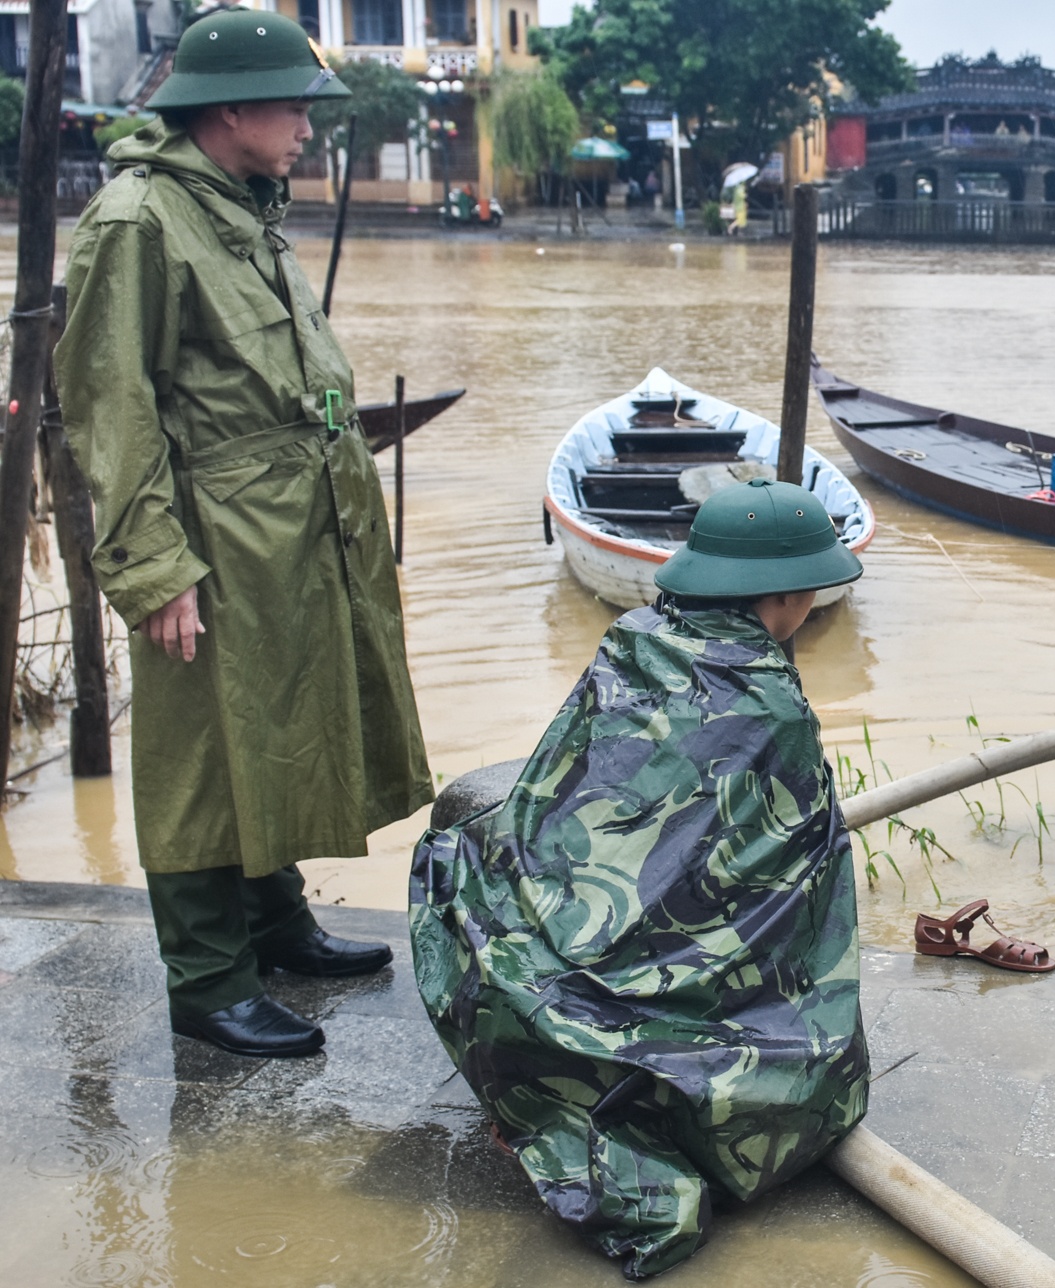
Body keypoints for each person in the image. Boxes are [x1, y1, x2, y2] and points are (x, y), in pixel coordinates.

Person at [54, 8, 432, 1059]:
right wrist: (154, 566)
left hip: (292, 527)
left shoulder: (236, 205)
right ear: (230, 109)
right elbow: (109, 404)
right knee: (201, 754)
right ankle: (208, 979)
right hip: (210, 533)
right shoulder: (140, 220)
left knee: (275, 724)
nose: (308, 128)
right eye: (292, 107)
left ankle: (275, 924)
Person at [412, 479, 869, 1278]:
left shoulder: (634, 635)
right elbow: (794, 882)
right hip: (646, 983)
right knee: (800, 1054)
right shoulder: (774, 708)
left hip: (536, 933)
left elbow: (561, 782)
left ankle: (533, 1068)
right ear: (791, 598)